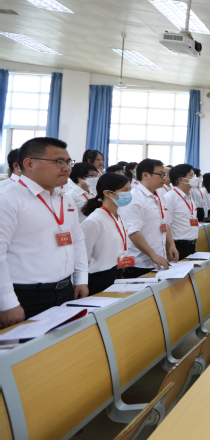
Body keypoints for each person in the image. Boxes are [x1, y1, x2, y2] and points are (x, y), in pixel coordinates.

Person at [0, 137, 89, 326]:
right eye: (59, 162)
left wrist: (81, 278)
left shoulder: (65, 199)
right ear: (29, 164)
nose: (67, 168)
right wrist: (7, 302)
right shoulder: (8, 198)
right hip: (24, 295)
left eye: (68, 162)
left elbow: (77, 240)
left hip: (66, 289)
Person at [118, 159, 179, 277]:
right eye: (161, 174)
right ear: (145, 175)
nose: (164, 178)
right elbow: (133, 232)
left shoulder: (159, 195)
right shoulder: (134, 197)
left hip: (159, 259)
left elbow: (165, 222)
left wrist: (171, 245)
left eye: (165, 174)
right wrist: (153, 255)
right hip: (139, 263)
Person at [81, 173, 133, 295]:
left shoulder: (120, 216)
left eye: (129, 190)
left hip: (117, 270)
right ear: (107, 193)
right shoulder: (94, 220)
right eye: (124, 190)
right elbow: (82, 256)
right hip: (99, 277)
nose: (128, 194)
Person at [165, 164, 200, 260]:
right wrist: (170, 247)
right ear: (181, 179)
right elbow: (166, 225)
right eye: (191, 175)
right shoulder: (169, 197)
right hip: (177, 245)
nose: (195, 178)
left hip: (190, 244)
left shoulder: (189, 196)